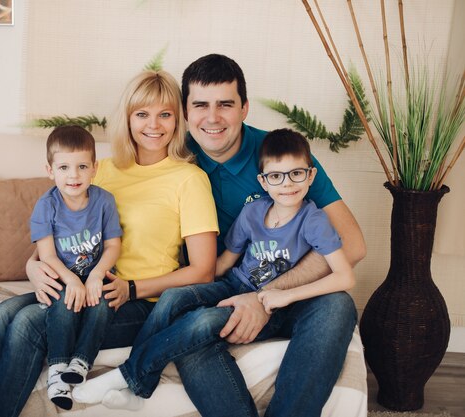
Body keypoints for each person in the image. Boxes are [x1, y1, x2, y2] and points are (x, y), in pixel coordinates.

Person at [0, 69, 219, 417]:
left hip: (136, 301)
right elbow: (54, 232)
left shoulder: (189, 178)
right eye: (142, 113)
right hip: (81, 284)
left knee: (28, 325)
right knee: (6, 312)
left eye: (165, 114)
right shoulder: (101, 169)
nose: (153, 124)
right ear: (127, 118)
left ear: (178, 120)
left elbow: (203, 271)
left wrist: (131, 287)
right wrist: (33, 267)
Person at [71, 128, 356, 408]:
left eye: (297, 174)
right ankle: (140, 385)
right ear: (263, 181)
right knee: (174, 297)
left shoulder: (313, 221)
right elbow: (223, 263)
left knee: (203, 322)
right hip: (235, 284)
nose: (288, 184)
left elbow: (345, 276)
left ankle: (129, 374)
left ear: (311, 175)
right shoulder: (254, 211)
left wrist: (285, 295)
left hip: (277, 304)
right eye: (276, 176)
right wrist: (195, 283)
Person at [29, 125, 122, 409]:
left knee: (104, 302)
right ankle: (58, 371)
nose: (74, 175)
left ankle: (81, 361)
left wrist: (95, 275)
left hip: (96, 273)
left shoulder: (104, 201)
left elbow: (113, 246)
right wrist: (71, 280)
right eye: (64, 167)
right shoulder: (46, 206)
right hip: (62, 275)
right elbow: (47, 256)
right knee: (63, 303)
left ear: (94, 168)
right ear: (50, 170)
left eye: (82, 166)